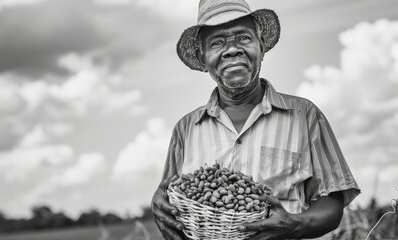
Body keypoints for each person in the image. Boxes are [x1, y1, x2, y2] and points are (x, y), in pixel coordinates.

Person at [151, 0, 361, 239]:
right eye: (217, 42)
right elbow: (169, 195)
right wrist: (159, 204)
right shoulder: (185, 129)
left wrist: (295, 224)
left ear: (261, 46)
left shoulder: (305, 115)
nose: (232, 50)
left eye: (243, 38)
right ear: (202, 56)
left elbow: (332, 202)